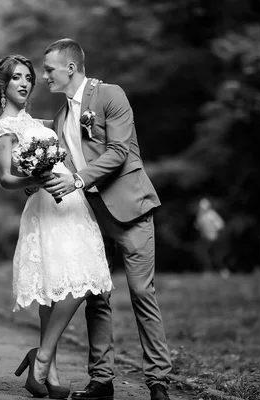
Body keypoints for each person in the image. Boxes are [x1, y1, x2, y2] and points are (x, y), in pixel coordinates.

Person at [39, 38, 173, 400]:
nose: (44, 75)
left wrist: (78, 180)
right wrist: (36, 179)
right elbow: (62, 165)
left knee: (142, 292)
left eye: (49, 69)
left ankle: (158, 382)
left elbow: (119, 152)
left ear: (71, 68)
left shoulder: (111, 95)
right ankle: (102, 381)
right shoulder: (62, 116)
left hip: (130, 209)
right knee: (96, 297)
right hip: (90, 215)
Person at [0, 54, 113, 399]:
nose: (25, 83)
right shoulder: (3, 128)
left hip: (71, 200)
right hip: (47, 204)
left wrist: (92, 93)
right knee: (75, 281)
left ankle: (47, 370)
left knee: (62, 284)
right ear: (3, 85)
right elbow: (5, 179)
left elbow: (70, 126)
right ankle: (42, 361)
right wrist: (36, 177)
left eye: (28, 77)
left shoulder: (33, 120)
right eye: (17, 78)